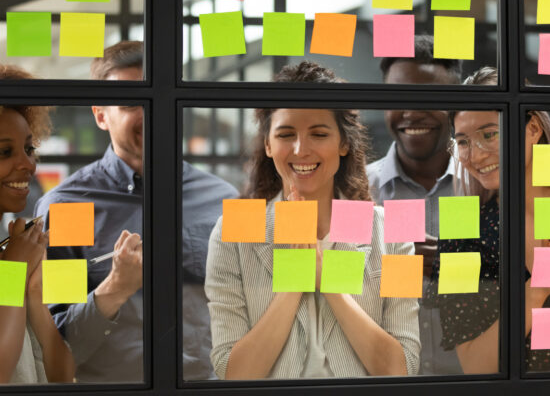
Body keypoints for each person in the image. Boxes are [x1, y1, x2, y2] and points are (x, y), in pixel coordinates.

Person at [33, 41, 238, 382]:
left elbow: (246, 310)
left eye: (165, 99)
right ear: (100, 115)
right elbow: (56, 346)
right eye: (133, 103)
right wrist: (114, 288)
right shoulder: (68, 208)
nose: (151, 113)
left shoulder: (223, 199)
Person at [205, 61, 420, 379]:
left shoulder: (393, 232)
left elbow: (404, 369)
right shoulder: (230, 231)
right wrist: (294, 283)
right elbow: (232, 372)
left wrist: (328, 281)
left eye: (318, 134)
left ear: (344, 143)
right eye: (285, 134)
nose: (300, 149)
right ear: (268, 144)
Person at [426, 66, 550, 373]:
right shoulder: (461, 231)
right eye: (463, 141)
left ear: (533, 128)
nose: (476, 155)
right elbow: (476, 366)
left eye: (489, 134)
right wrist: (536, 290)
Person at [366, 34, 466, 375]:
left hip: (476, 381)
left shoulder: (488, 188)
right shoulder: (355, 191)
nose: (411, 112)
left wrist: (455, 264)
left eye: (429, 97)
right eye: (398, 96)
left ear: (455, 105)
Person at [0, 65, 74, 384]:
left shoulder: (12, 252)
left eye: (29, 149)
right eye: (5, 151)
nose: (28, 164)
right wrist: (14, 271)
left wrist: (33, 295)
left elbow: (64, 376)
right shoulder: (12, 262)